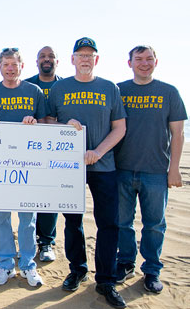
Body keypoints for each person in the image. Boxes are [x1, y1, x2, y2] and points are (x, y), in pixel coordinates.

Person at [47, 37, 127, 308]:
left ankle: (106, 279)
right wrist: (62, 123)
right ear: (72, 59)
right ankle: (77, 269)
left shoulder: (109, 88)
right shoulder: (59, 88)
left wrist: (99, 152)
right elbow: (47, 121)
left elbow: (120, 127)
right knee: (72, 220)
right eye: (80, 54)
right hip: (68, 166)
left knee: (108, 223)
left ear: (96, 59)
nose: (85, 58)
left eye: (90, 55)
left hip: (103, 166)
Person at [115, 45, 187, 293]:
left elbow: (178, 133)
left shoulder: (169, 92)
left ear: (156, 61)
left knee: (155, 224)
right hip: (122, 169)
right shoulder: (119, 90)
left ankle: (152, 270)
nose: (144, 63)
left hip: (155, 171)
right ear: (130, 63)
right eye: (139, 59)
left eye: (148, 59)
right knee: (122, 222)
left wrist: (174, 169)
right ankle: (125, 263)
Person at [0, 48, 47, 287]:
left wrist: (35, 123)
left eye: (14, 64)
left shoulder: (33, 91)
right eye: (6, 64)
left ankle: (27, 265)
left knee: (28, 219)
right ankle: (5, 265)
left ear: (21, 66)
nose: (10, 68)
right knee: (1, 218)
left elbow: (47, 124)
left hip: (29, 166)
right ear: (0, 66)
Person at [24, 46, 62, 262]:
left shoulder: (64, 85)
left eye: (50, 56)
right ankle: (29, 240)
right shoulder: (28, 85)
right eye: (42, 57)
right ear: (36, 61)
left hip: (55, 152)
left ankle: (46, 241)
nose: (46, 60)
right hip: (29, 149)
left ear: (58, 61)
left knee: (50, 198)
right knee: (28, 200)